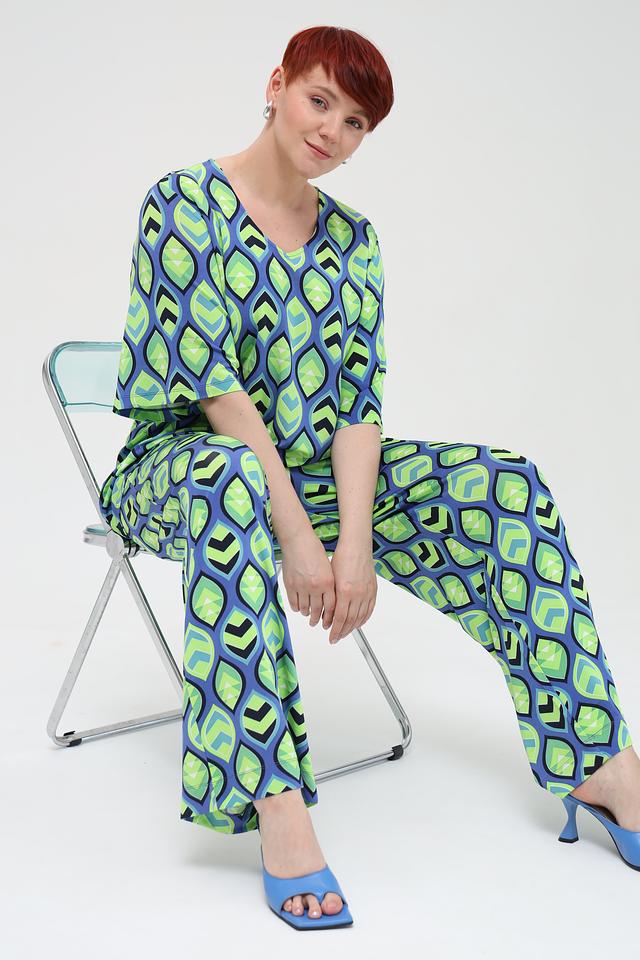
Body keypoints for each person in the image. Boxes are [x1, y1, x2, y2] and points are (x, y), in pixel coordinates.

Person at [97, 24, 640, 930]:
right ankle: (276, 806)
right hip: (182, 471)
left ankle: (602, 765)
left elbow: (357, 405)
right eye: (320, 101)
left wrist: (353, 545)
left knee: (505, 484)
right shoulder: (181, 203)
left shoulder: (353, 241)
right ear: (276, 84)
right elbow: (218, 394)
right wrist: (297, 538)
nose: (332, 132)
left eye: (354, 123)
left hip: (311, 475)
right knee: (231, 478)